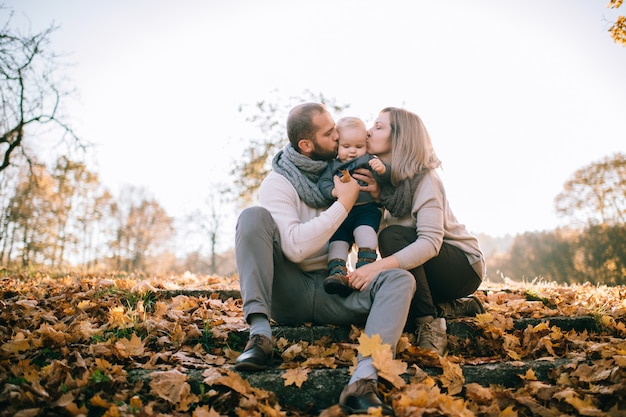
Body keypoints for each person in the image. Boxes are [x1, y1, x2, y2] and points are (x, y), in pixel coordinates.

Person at [233, 102, 415, 416]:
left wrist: (376, 198)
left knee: (400, 279)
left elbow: (369, 230)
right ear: (307, 144)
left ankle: (362, 380)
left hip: (340, 288)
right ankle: (260, 335)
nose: (338, 136)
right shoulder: (279, 183)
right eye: (329, 133)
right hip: (290, 290)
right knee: (252, 218)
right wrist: (343, 205)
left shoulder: (349, 170)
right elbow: (295, 249)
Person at [345, 107, 486, 356]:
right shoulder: (383, 183)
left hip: (462, 266)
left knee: (393, 236)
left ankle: (429, 323)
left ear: (400, 137)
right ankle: (455, 308)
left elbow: (430, 243)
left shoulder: (425, 179)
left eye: (378, 126)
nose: (368, 131)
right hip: (426, 271)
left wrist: (375, 267)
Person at [317, 116, 391, 297]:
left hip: (366, 209)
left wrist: (382, 170)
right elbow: (323, 182)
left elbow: (387, 178)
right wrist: (334, 192)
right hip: (342, 212)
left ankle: (366, 268)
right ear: (337, 146)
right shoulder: (332, 165)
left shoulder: (369, 160)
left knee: (365, 234)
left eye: (359, 146)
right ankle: (337, 273)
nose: (352, 152)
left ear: (365, 144)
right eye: (346, 146)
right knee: (337, 242)